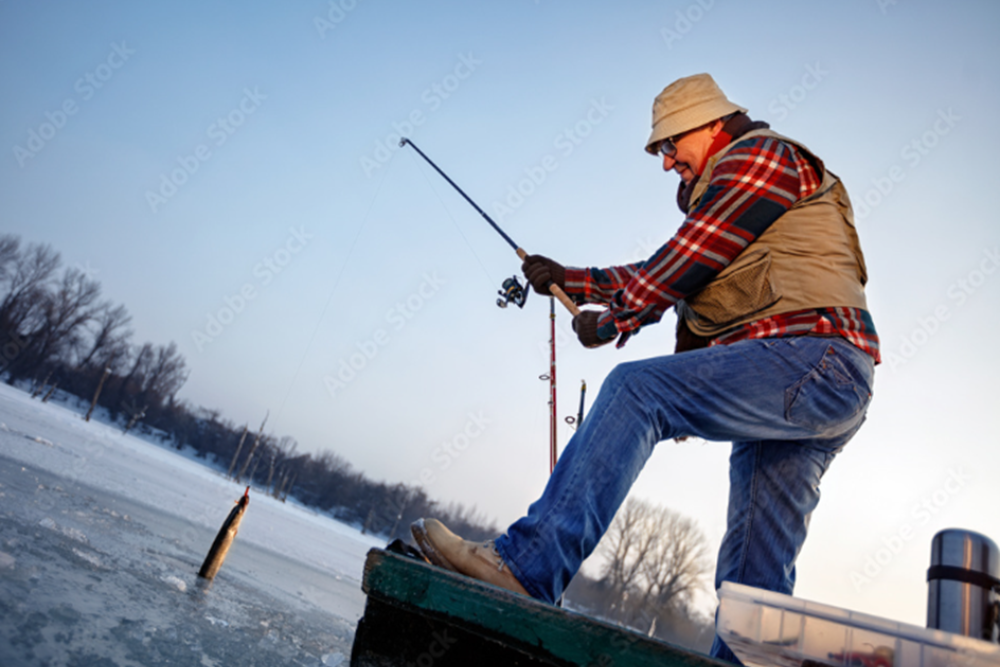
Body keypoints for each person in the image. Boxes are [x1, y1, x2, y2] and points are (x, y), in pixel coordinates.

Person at [411, 73, 878, 664]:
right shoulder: (733, 205)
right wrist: (568, 280)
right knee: (755, 570)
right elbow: (669, 276)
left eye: (668, 145)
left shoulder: (760, 157)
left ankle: (528, 567)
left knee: (635, 389)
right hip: (813, 385)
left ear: (710, 125)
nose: (664, 162)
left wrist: (607, 325)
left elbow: (678, 266)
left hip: (814, 363)